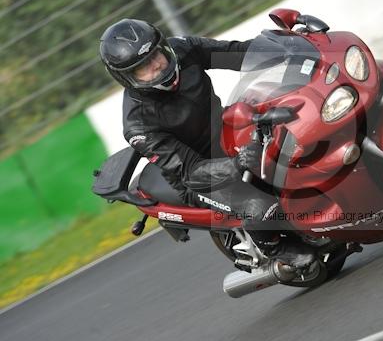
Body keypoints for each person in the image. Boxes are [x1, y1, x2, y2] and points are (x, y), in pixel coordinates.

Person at [99, 18, 314, 268]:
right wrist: (236, 165)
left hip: (224, 131)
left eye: (155, 54)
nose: (156, 66)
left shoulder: (183, 50)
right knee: (258, 205)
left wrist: (289, 48)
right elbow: (189, 170)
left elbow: (239, 54)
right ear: (126, 77)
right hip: (198, 177)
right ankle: (277, 249)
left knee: (295, 135)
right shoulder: (139, 124)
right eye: (143, 67)